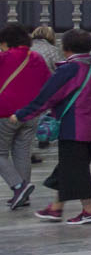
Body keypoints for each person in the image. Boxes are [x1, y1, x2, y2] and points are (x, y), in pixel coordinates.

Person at [13, 28, 91, 224]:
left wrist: (22, 115)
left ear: (65, 48)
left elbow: (47, 96)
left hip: (73, 126)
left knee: (77, 168)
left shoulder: (69, 69)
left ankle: (90, 210)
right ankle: (56, 208)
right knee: (69, 166)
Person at [0, 23, 52, 209]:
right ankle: (23, 194)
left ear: (6, 42)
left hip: (5, 112)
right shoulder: (36, 57)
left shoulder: (4, 57)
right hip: (31, 113)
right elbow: (48, 83)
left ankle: (19, 186)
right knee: (22, 152)